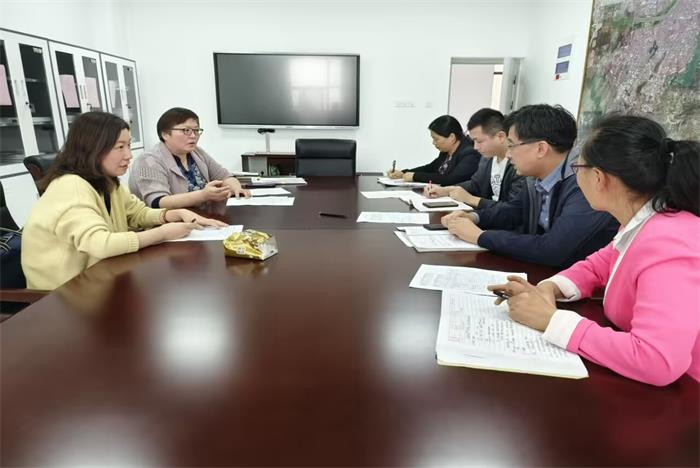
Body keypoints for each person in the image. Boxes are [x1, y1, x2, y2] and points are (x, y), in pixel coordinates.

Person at [488, 115, 699, 386]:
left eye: (578, 167)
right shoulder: (643, 222)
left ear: (599, 178)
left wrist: (552, 320)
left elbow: (656, 360)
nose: (576, 175)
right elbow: (597, 266)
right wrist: (549, 289)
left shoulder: (671, 242)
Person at [21, 112, 227, 290]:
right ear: (92, 148)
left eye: (128, 145)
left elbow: (139, 213)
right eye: (120, 147)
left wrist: (174, 214)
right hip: (62, 295)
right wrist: (163, 233)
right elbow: (101, 244)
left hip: (99, 280)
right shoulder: (71, 186)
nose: (129, 155)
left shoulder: (106, 181)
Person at [441, 104, 618, 268]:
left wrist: (480, 236)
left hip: (579, 283)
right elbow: (513, 211)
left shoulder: (585, 182)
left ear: (540, 149)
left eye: (512, 146)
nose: (508, 155)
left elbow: (553, 249)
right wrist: (473, 217)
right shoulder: (535, 178)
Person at [129, 107, 250, 213]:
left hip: (203, 219)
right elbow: (158, 202)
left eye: (196, 130)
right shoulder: (148, 160)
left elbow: (224, 176)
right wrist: (203, 195)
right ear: (165, 134)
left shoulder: (196, 152)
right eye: (186, 130)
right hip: (168, 225)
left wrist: (236, 188)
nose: (193, 136)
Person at [424, 108, 525, 209]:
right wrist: (446, 190)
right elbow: (474, 184)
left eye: (479, 141)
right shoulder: (487, 159)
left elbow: (512, 210)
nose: (475, 147)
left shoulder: (519, 164)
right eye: (474, 141)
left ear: (501, 137)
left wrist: (470, 199)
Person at [386, 115, 481, 185]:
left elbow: (451, 179)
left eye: (436, 139)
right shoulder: (446, 151)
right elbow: (431, 168)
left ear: (452, 137)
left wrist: (415, 176)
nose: (433, 143)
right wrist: (404, 173)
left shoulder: (470, 154)